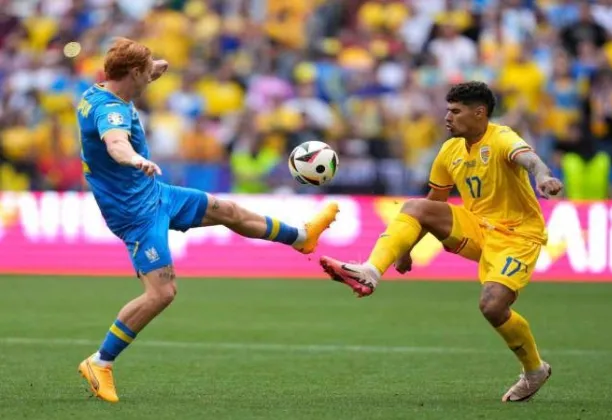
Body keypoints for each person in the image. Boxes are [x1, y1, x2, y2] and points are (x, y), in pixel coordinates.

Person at [76, 38, 339, 403]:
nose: (150, 76)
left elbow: (138, 75)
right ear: (132, 73)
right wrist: (135, 159)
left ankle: (300, 237)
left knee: (225, 210)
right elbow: (116, 143)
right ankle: (100, 362)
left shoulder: (101, 89)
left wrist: (154, 67)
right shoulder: (111, 112)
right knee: (162, 293)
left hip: (155, 194)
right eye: (145, 72)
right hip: (135, 213)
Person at [320, 81, 563, 402]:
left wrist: (543, 175)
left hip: (517, 235)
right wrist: (405, 249)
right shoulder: (449, 150)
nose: (447, 117)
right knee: (416, 206)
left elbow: (530, 160)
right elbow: (432, 205)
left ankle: (534, 370)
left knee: (492, 307)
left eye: (455, 111)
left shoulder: (502, 137)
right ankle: (371, 271)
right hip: (476, 227)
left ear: (479, 113)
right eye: (447, 110)